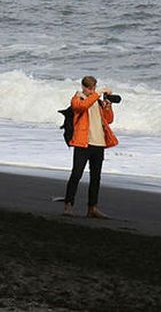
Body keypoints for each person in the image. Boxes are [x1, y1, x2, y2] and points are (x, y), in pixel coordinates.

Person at [62, 75, 118, 219]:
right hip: (83, 143)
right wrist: (97, 93)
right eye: (89, 87)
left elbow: (109, 120)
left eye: (93, 87)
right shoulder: (78, 98)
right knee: (76, 174)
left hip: (98, 143)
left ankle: (92, 208)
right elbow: (81, 107)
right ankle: (68, 205)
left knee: (96, 177)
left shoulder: (96, 101)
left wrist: (107, 105)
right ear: (83, 87)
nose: (91, 90)